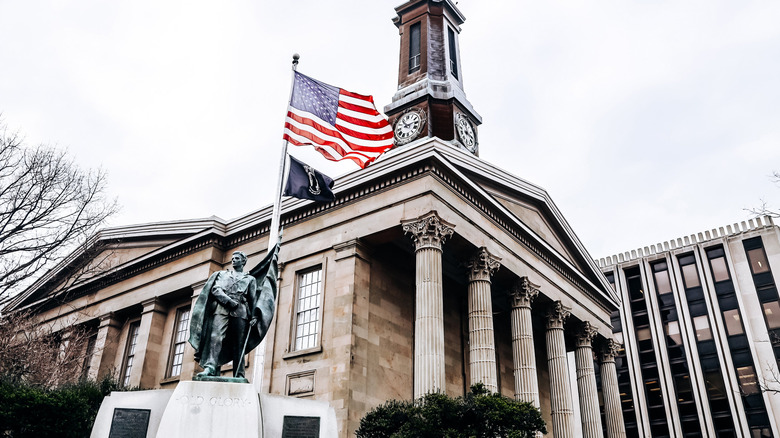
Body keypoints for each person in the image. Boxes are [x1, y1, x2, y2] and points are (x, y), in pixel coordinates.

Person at [188, 245, 279, 379]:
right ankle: (210, 367)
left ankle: (239, 373)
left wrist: (254, 315)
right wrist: (229, 301)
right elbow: (216, 290)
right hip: (222, 309)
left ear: (243, 261)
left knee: (239, 344)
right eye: (233, 258)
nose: (234, 260)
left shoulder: (250, 279)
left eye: (237, 258)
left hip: (241, 312)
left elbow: (253, 299)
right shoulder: (221, 274)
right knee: (215, 337)